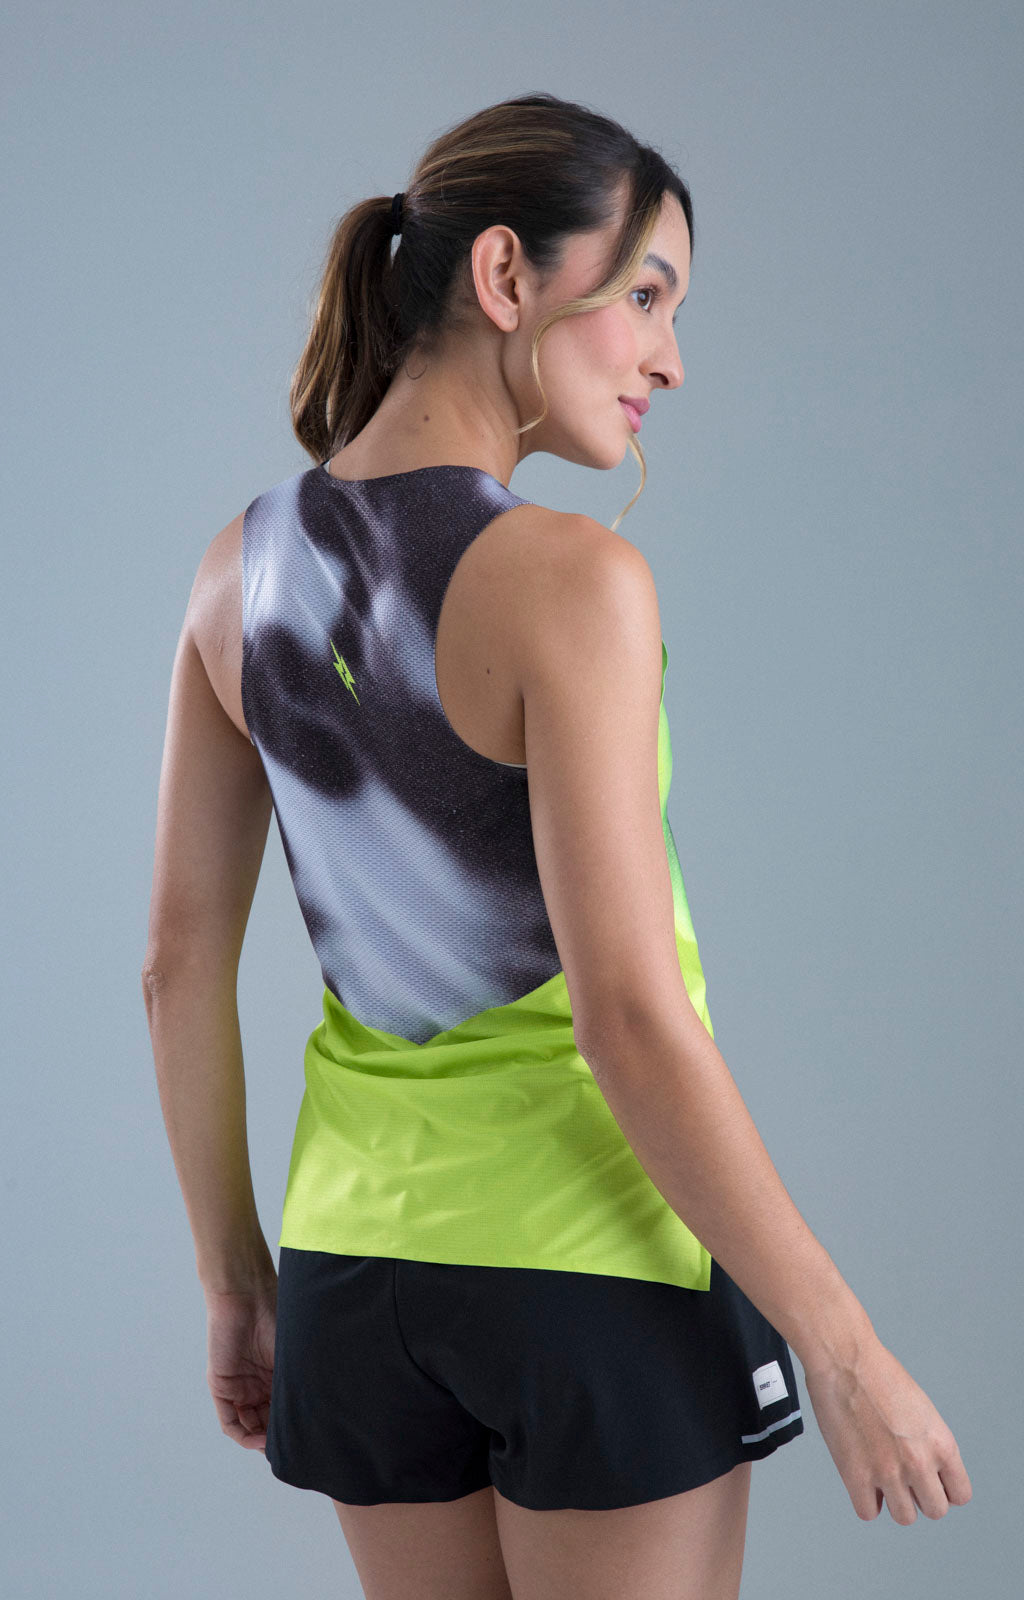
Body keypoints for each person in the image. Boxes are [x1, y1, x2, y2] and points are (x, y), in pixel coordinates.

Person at [142, 91, 972, 1600]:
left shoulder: (230, 574)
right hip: (587, 1269)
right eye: (646, 295)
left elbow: (177, 967)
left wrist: (235, 1282)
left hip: (352, 1278)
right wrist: (845, 1352)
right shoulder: (570, 579)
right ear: (507, 276)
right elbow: (628, 1021)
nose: (670, 356)